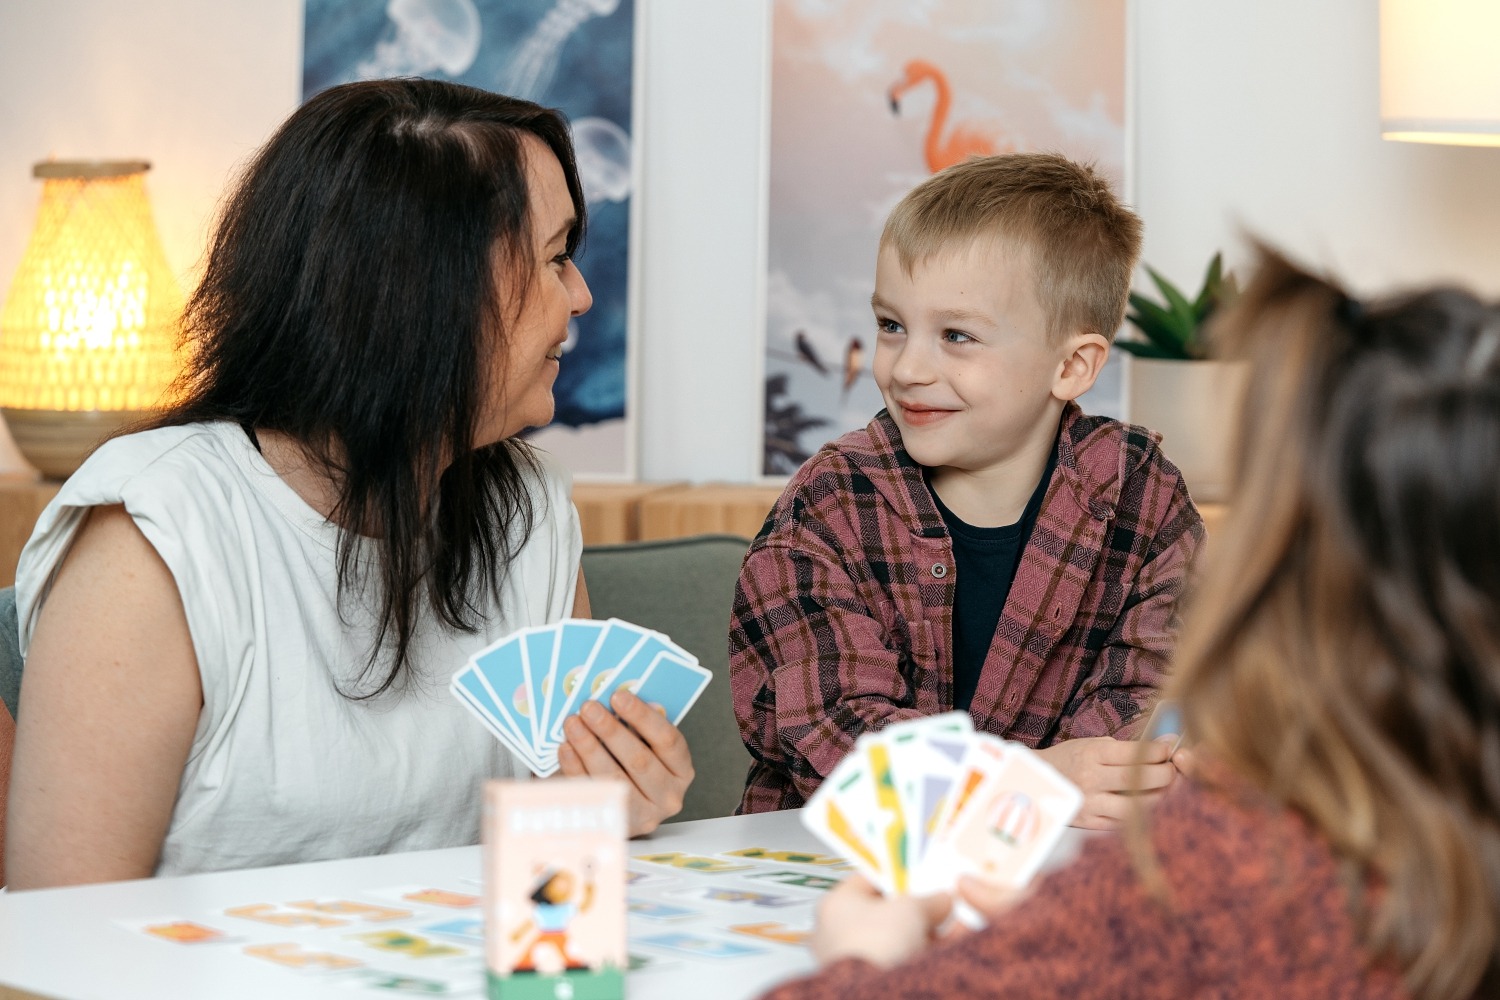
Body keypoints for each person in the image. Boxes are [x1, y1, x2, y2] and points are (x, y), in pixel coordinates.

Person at [4, 79, 692, 890]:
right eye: (554, 258)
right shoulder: (157, 534)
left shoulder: (531, 513)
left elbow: (545, 898)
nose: (580, 295)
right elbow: (63, 934)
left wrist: (605, 808)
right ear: (424, 293)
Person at [759, 249, 1500, 1000]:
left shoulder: (1229, 871)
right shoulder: (829, 498)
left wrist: (865, 965)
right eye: (891, 325)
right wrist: (1084, 922)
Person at [731, 153, 1202, 825]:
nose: (909, 368)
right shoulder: (828, 503)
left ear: (1071, 366)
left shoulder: (1142, 496)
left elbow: (1149, 706)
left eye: (956, 336)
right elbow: (834, 737)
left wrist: (1079, 782)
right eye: (892, 326)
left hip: (1065, 873)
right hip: (834, 874)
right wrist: (1028, 783)